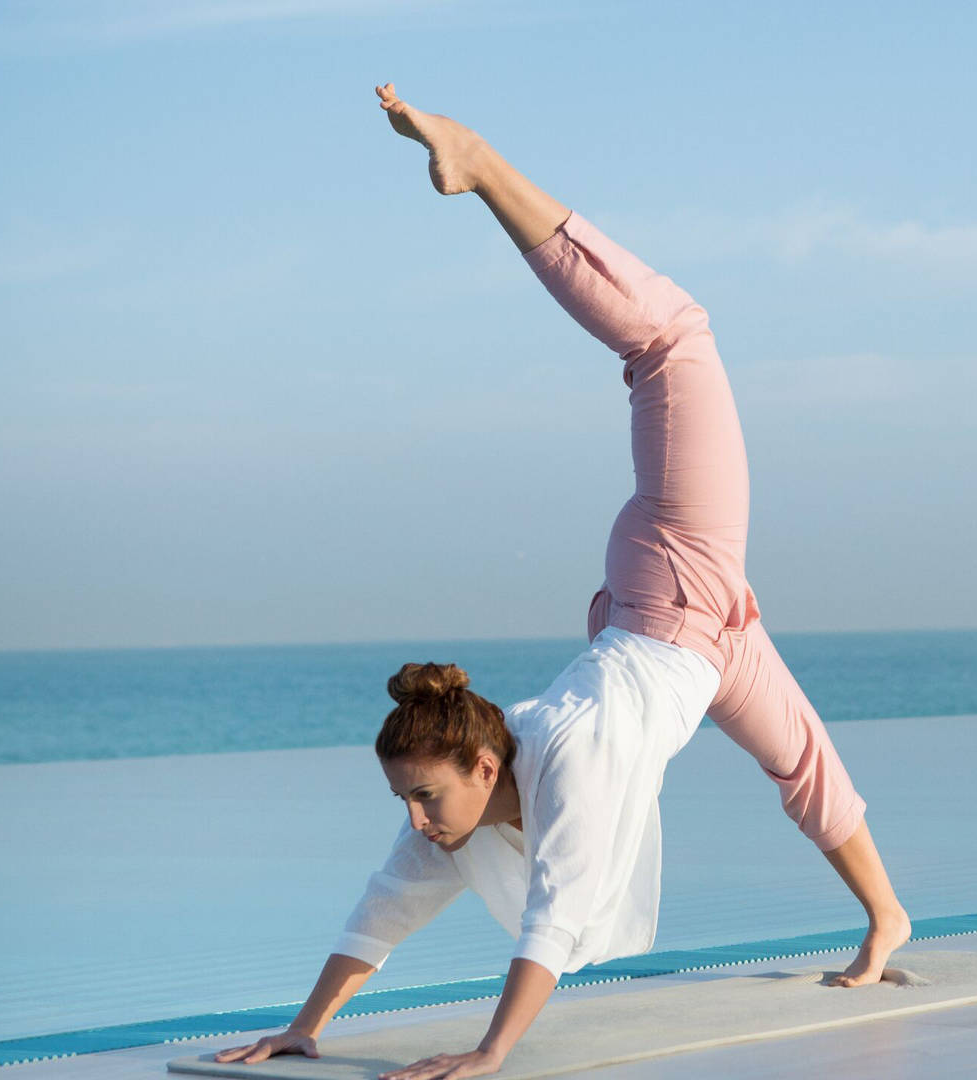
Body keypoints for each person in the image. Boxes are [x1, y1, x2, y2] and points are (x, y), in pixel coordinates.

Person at [213, 83, 911, 1080]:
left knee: (673, 337)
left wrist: (493, 1051)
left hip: (675, 580)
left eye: (420, 797)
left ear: (482, 767)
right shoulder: (459, 812)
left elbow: (551, 921)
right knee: (799, 763)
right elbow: (386, 912)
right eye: (408, 801)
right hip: (697, 646)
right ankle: (888, 916)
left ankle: (482, 162)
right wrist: (305, 1025)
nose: (413, 819)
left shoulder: (564, 758)